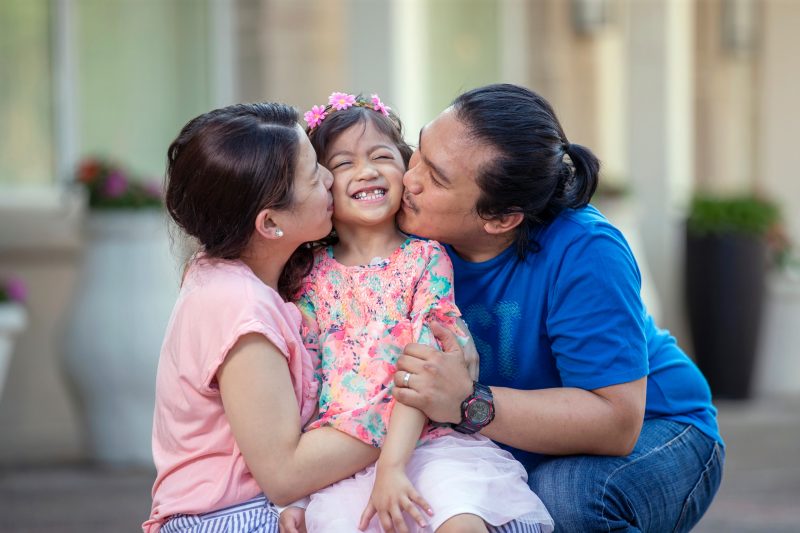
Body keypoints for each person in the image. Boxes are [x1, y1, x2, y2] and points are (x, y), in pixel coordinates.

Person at [393, 83, 725, 533]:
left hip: (660, 427)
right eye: (418, 150)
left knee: (564, 497)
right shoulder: (406, 234)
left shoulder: (586, 250)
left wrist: (469, 402)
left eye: (436, 177)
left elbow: (616, 422)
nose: (408, 178)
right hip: (511, 441)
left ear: (501, 218)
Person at [280, 92, 553, 533]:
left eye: (382, 156)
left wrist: (392, 467)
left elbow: (422, 372)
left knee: (459, 516)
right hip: (342, 454)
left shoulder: (425, 259)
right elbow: (304, 386)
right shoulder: (307, 276)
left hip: (428, 444)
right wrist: (299, 492)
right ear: (322, 183)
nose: (366, 171)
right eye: (344, 163)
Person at [144, 102, 382, 533]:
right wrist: (406, 409)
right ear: (270, 222)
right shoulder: (239, 305)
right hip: (230, 518)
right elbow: (284, 473)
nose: (331, 178)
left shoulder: (220, 271)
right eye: (314, 175)